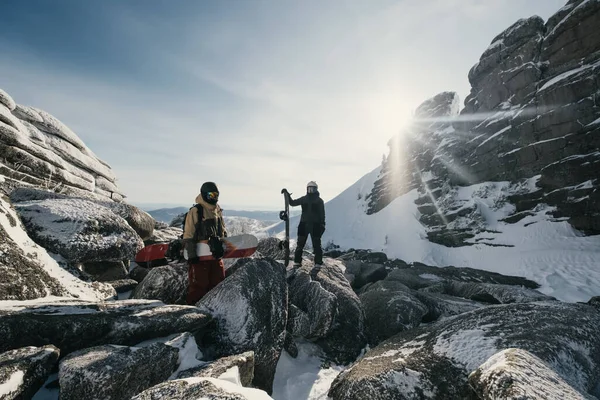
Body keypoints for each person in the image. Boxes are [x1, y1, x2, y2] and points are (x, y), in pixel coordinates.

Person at [183, 181, 228, 304]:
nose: (213, 198)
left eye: (215, 195)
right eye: (210, 195)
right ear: (204, 195)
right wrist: (192, 255)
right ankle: (193, 314)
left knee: (218, 284)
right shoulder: (196, 211)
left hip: (215, 254)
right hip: (200, 256)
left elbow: (222, 229)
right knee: (199, 288)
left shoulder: (217, 209)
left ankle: (214, 312)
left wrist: (224, 242)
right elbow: (189, 234)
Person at [286, 181, 326, 267]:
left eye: (312, 188)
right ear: (307, 189)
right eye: (309, 188)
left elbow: (322, 214)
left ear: (316, 189)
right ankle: (297, 262)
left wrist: (322, 224)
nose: (311, 190)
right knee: (300, 244)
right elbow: (292, 203)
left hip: (315, 225)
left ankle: (318, 263)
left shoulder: (319, 201)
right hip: (304, 224)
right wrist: (287, 195)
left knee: (317, 245)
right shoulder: (304, 199)